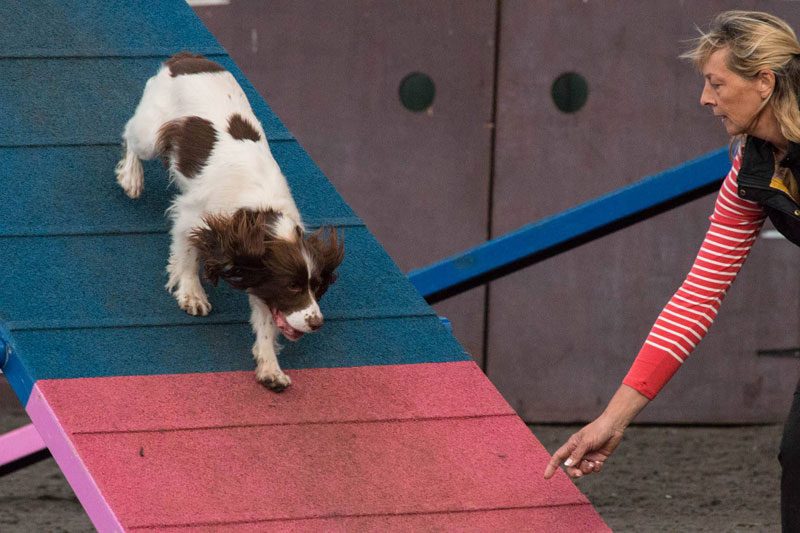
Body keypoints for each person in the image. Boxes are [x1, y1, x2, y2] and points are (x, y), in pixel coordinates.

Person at [543, 10, 800, 530]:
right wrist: (612, 421)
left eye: (716, 83)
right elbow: (697, 296)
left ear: (764, 82)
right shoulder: (749, 171)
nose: (705, 99)